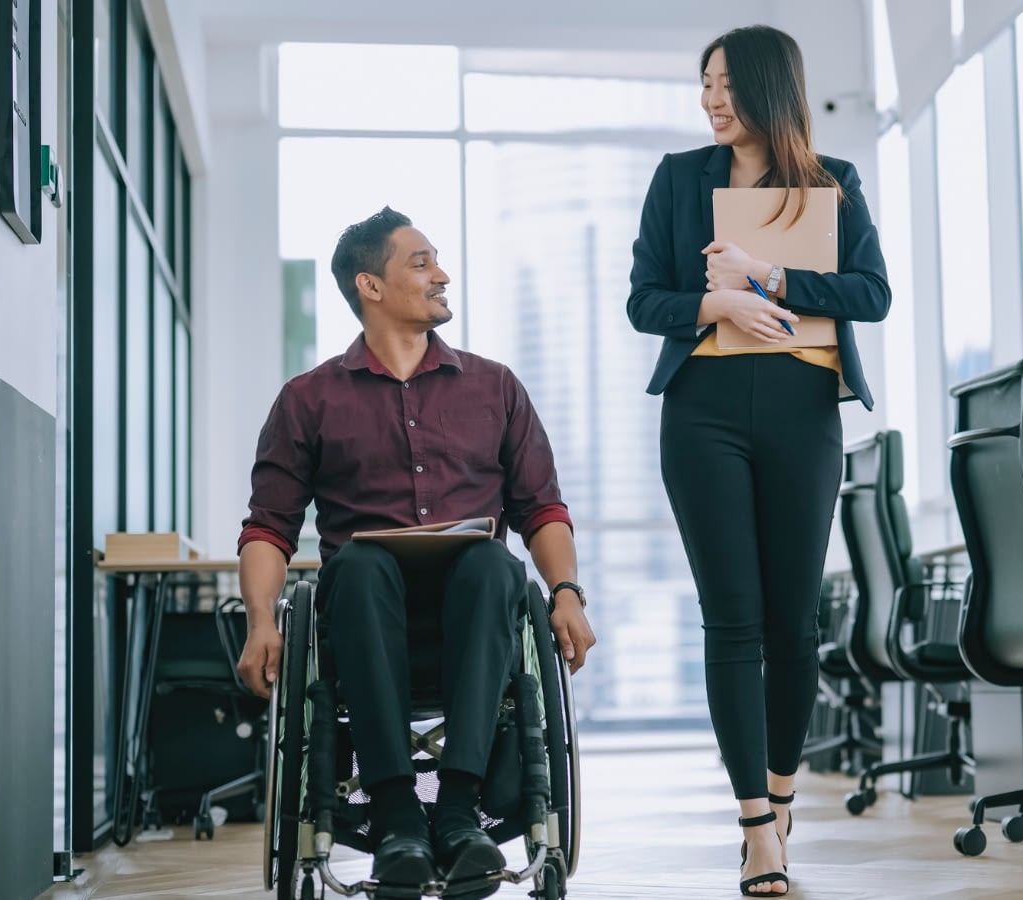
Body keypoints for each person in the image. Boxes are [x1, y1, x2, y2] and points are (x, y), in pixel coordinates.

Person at [236, 207, 596, 898]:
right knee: (361, 565)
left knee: (494, 559)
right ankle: (398, 816)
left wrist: (567, 593)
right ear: (370, 286)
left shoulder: (494, 387)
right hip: (363, 620)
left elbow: (542, 508)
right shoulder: (308, 400)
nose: (443, 275)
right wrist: (261, 620)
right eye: (422, 263)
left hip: (478, 616)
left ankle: (459, 813)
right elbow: (269, 528)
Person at [626, 24, 890, 897]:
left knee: (794, 621)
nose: (711, 100)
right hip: (702, 412)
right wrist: (719, 301)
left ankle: (781, 797)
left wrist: (770, 277)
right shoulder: (678, 180)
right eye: (704, 83)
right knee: (731, 618)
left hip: (801, 409)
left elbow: (872, 295)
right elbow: (644, 302)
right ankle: (753, 828)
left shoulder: (832, 184)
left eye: (728, 85)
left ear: (772, 89)